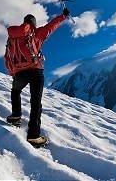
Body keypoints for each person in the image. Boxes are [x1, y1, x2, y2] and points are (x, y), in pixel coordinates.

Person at [6, 8, 70, 147]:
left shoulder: (12, 37)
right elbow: (52, 26)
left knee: (15, 91)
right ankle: (34, 136)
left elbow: (7, 57)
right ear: (33, 24)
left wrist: (14, 73)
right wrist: (63, 16)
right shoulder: (37, 33)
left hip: (19, 72)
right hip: (36, 70)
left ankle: (15, 117)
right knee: (36, 101)